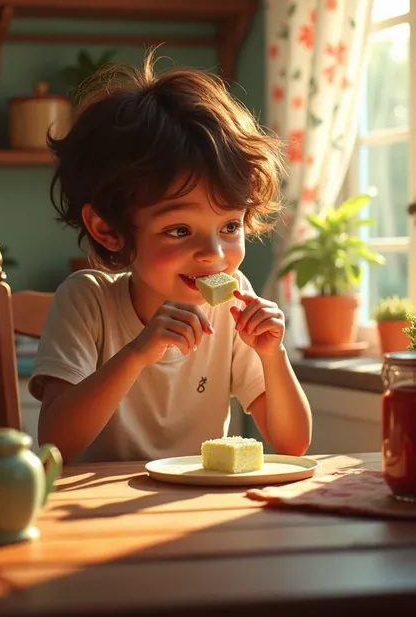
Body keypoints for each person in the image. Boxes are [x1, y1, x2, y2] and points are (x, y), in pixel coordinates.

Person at [28, 51, 312, 464]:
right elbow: (56, 444)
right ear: (108, 230)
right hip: (96, 510)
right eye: (179, 230)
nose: (214, 255)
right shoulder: (87, 302)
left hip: (194, 513)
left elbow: (293, 444)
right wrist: (138, 352)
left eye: (230, 227)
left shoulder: (234, 305)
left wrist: (273, 354)